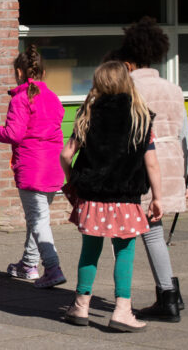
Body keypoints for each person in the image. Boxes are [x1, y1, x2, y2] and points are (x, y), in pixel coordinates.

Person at [61, 61, 163, 332]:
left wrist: (73, 178)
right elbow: (151, 163)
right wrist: (157, 197)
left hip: (93, 197)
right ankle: (122, 311)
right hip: (125, 198)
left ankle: (80, 306)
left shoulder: (89, 114)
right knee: (125, 253)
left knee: (90, 251)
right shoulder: (140, 116)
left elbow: (65, 155)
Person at [121, 17, 188, 322]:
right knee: (154, 230)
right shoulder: (173, 88)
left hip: (144, 163)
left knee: (148, 231)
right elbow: (184, 136)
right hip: (172, 161)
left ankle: (168, 296)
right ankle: (171, 291)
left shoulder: (127, 87)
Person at [0, 45, 67, 288]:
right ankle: (29, 264)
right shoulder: (52, 97)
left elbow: (14, 133)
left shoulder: (21, 99)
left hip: (32, 166)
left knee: (38, 220)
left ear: (19, 72)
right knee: (37, 218)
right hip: (53, 165)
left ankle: (52, 268)